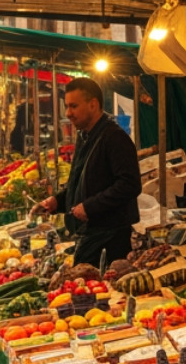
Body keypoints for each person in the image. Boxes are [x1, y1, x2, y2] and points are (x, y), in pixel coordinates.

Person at [35, 77, 141, 268]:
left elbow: (130, 184)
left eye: (73, 106)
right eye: (66, 106)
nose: (68, 113)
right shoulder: (85, 136)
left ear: (93, 104)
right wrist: (57, 201)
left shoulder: (114, 137)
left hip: (110, 239)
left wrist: (90, 207)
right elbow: (82, 182)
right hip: (92, 234)